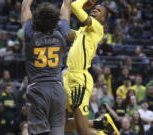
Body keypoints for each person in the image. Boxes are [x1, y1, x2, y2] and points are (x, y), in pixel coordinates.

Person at [63, 0, 119, 135]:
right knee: (59, 124)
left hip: (79, 78)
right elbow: (64, 32)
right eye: (94, 8)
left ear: (103, 18)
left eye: (98, 10)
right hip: (67, 77)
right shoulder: (82, 31)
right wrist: (65, 7)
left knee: (82, 131)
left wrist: (84, 2)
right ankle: (100, 123)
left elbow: (76, 6)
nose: (94, 10)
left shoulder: (97, 27)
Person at [21, 0, 70, 135]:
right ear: (56, 19)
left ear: (36, 18)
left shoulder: (30, 33)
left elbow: (25, 6)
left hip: (38, 90)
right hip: (57, 89)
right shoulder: (62, 32)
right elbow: (66, 4)